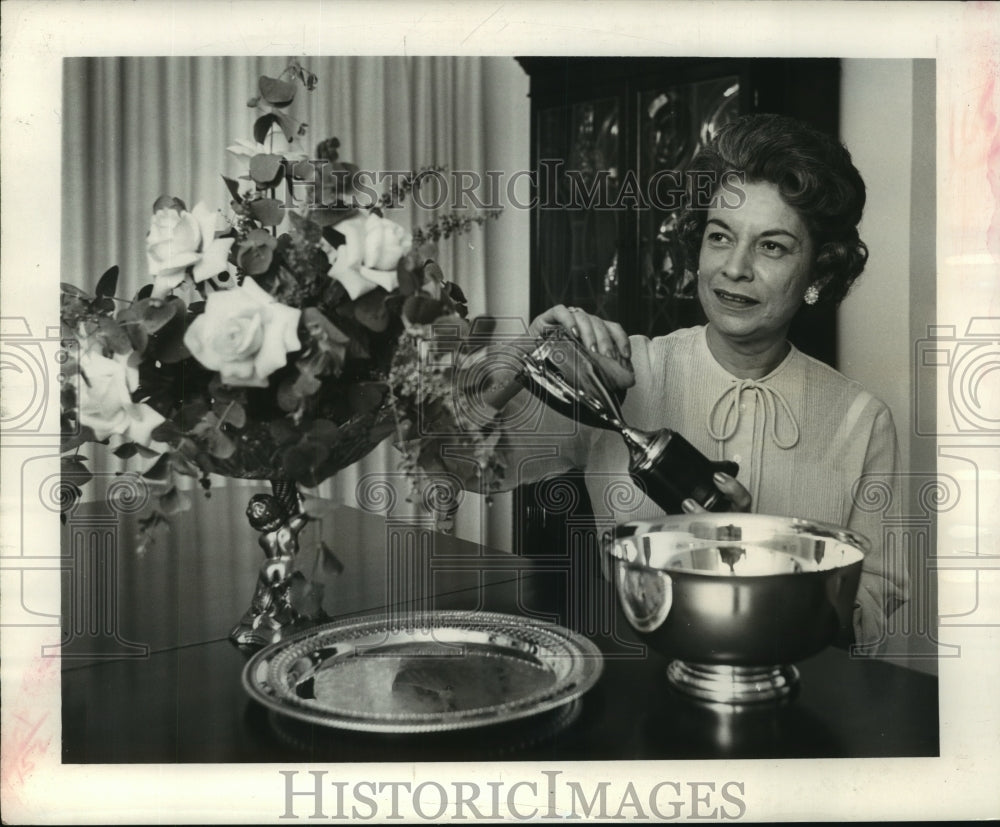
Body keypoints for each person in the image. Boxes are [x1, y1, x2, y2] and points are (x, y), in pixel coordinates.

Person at [479, 113, 908, 649]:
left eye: (771, 246)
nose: (735, 268)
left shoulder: (861, 421)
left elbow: (871, 617)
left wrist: (768, 560)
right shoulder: (621, 375)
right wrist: (521, 357)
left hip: (791, 708)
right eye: (720, 237)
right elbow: (468, 466)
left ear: (820, 272)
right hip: (636, 694)